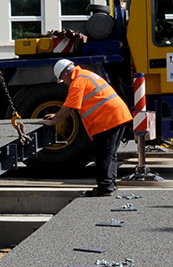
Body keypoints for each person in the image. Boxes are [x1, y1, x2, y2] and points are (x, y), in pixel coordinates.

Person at [43, 58, 133, 198]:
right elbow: (70, 104)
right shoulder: (85, 75)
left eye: (62, 79)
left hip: (108, 119)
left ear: (65, 74)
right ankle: (110, 185)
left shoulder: (77, 82)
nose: (64, 83)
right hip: (118, 115)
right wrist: (57, 114)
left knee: (103, 155)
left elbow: (70, 106)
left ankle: (105, 188)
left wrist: (53, 121)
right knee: (110, 154)